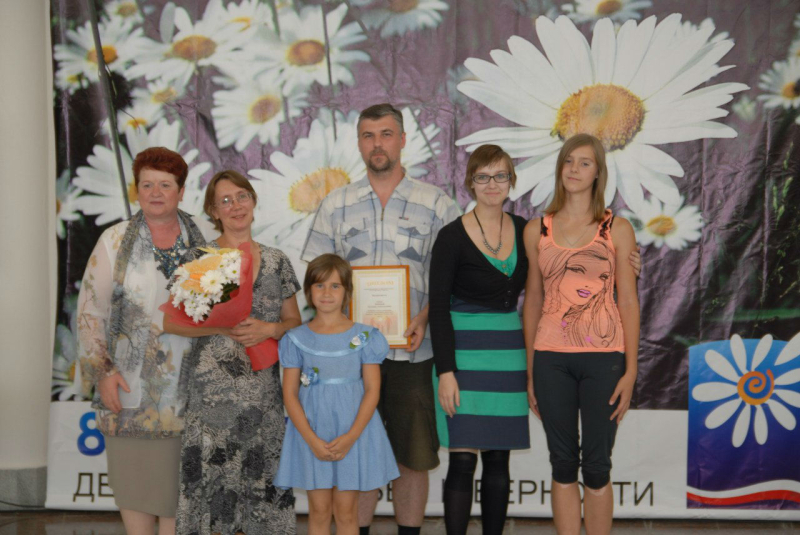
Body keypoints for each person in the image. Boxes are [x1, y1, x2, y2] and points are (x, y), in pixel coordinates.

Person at [302, 103, 461, 535]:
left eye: (387, 134)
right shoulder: (336, 204)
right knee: (357, 451)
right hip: (350, 356)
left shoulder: (437, 204)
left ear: (403, 140)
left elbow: (451, 279)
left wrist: (425, 317)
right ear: (358, 143)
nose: (378, 144)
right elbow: (317, 279)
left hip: (413, 350)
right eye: (369, 135)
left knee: (413, 456)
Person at [76, 147, 217, 535]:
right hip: (128, 390)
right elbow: (89, 312)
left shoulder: (207, 240)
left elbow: (220, 311)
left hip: (193, 393)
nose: (156, 193)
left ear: (181, 191)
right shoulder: (113, 240)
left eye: (165, 185)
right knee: (136, 489)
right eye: (147, 184)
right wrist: (103, 373)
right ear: (136, 190)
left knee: (182, 494)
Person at [163, 170, 301, 534]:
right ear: (214, 211)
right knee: (212, 493)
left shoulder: (277, 260)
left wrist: (270, 329)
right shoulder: (201, 258)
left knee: (263, 491)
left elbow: (294, 322)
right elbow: (171, 323)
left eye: (242, 196)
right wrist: (221, 328)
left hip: (263, 397)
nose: (235, 206)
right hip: (212, 400)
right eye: (225, 200)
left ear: (253, 201)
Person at [522, 134, 640, 535]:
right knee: (562, 463)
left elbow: (628, 302)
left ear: (598, 172)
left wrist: (631, 371)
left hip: (604, 361)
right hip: (550, 360)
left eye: (584, 162)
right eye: (569, 160)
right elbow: (533, 300)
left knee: (597, 465)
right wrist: (531, 369)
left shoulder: (617, 229)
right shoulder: (536, 230)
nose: (574, 169)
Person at [429, 145, 529, 535]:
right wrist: (446, 372)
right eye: (483, 176)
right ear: (470, 182)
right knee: (462, 462)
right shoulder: (451, 237)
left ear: (511, 181)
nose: (492, 184)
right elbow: (438, 308)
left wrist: (625, 260)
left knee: (499, 459)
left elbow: (562, 267)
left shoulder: (525, 230)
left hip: (508, 355)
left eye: (500, 175)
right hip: (463, 359)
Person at [275, 253, 400, 535]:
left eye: (335, 286)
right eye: (319, 285)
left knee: (346, 512)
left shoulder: (366, 337)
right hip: (311, 433)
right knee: (319, 511)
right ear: (309, 291)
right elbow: (290, 395)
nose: (327, 293)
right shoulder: (296, 339)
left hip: (352, 432)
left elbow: (372, 390)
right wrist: (312, 440)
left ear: (347, 291)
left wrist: (351, 436)